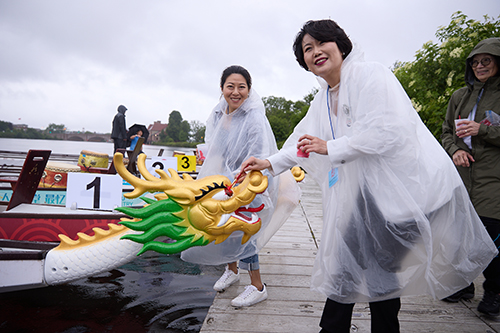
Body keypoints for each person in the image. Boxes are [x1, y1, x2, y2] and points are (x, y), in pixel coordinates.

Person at [241, 19, 497, 332]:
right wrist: (267, 162)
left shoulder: (370, 75)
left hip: (407, 189)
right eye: (308, 49)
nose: (316, 51)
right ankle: (335, 328)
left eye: (323, 43)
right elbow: (303, 142)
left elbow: (389, 132)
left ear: (341, 45)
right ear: (304, 61)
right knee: (346, 261)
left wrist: (331, 147)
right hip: (369, 194)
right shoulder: (324, 98)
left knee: (380, 267)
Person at [181, 65, 300, 307]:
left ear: (249, 89)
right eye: (230, 86)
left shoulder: (254, 115)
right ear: (222, 88)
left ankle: (257, 286)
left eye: (241, 87)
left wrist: (236, 179)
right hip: (224, 181)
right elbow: (214, 146)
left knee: (247, 233)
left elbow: (258, 152)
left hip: (250, 181)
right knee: (225, 229)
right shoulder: (217, 113)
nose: (236, 92)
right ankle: (232, 270)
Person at [441, 37, 500, 316]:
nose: (480, 66)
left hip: (494, 179)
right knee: (460, 235)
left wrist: (483, 130)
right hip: (462, 177)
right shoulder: (459, 97)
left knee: (492, 238)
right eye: (475, 62)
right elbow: (446, 133)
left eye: (486, 60)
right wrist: (454, 150)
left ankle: (495, 293)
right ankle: (463, 284)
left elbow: (480, 130)